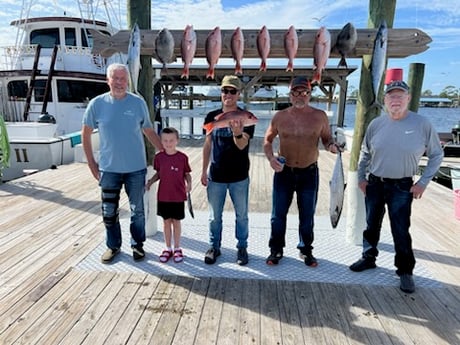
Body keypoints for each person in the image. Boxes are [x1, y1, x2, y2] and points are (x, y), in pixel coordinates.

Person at [349, 80, 443, 293]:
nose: (396, 100)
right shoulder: (376, 124)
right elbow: (365, 153)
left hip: (402, 186)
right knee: (371, 224)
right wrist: (361, 178)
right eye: (391, 96)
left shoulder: (422, 123)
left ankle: (405, 270)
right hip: (375, 182)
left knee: (400, 229)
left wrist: (423, 182)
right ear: (385, 100)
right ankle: (368, 257)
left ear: (408, 98)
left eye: (400, 95)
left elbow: (437, 155)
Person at [82, 63, 162, 264]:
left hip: (135, 168)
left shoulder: (137, 103)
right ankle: (113, 246)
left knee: (138, 211)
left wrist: (166, 153)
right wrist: (92, 164)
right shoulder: (97, 104)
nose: (119, 83)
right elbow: (85, 134)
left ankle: (137, 245)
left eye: (123, 79)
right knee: (109, 212)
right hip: (108, 169)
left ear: (128, 81)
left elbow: (149, 131)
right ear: (108, 80)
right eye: (115, 78)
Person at [263, 76, 338, 267]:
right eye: (296, 92)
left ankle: (306, 250)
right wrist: (271, 159)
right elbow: (267, 140)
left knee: (307, 215)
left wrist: (331, 146)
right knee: (278, 214)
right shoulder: (280, 116)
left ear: (310, 94)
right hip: (284, 172)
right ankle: (276, 249)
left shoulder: (319, 116)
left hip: (309, 173)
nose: (300, 96)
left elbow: (327, 138)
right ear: (290, 95)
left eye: (304, 92)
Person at [201, 75, 255, 266]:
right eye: (225, 90)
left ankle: (242, 247)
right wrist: (203, 170)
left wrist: (237, 133)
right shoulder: (211, 117)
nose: (228, 94)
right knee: (214, 216)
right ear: (221, 92)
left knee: (242, 215)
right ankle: (214, 247)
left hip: (239, 177)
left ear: (239, 94)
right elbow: (207, 145)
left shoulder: (246, 117)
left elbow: (242, 145)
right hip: (215, 175)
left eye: (233, 91)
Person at [146, 127, 192, 263]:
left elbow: (187, 174)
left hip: (178, 196)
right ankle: (167, 248)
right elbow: (159, 173)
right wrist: (150, 182)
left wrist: (189, 184)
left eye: (171, 140)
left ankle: (177, 248)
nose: (168, 143)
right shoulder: (159, 157)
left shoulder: (182, 158)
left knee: (176, 222)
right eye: (165, 140)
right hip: (163, 196)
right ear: (161, 141)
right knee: (166, 222)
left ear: (177, 140)